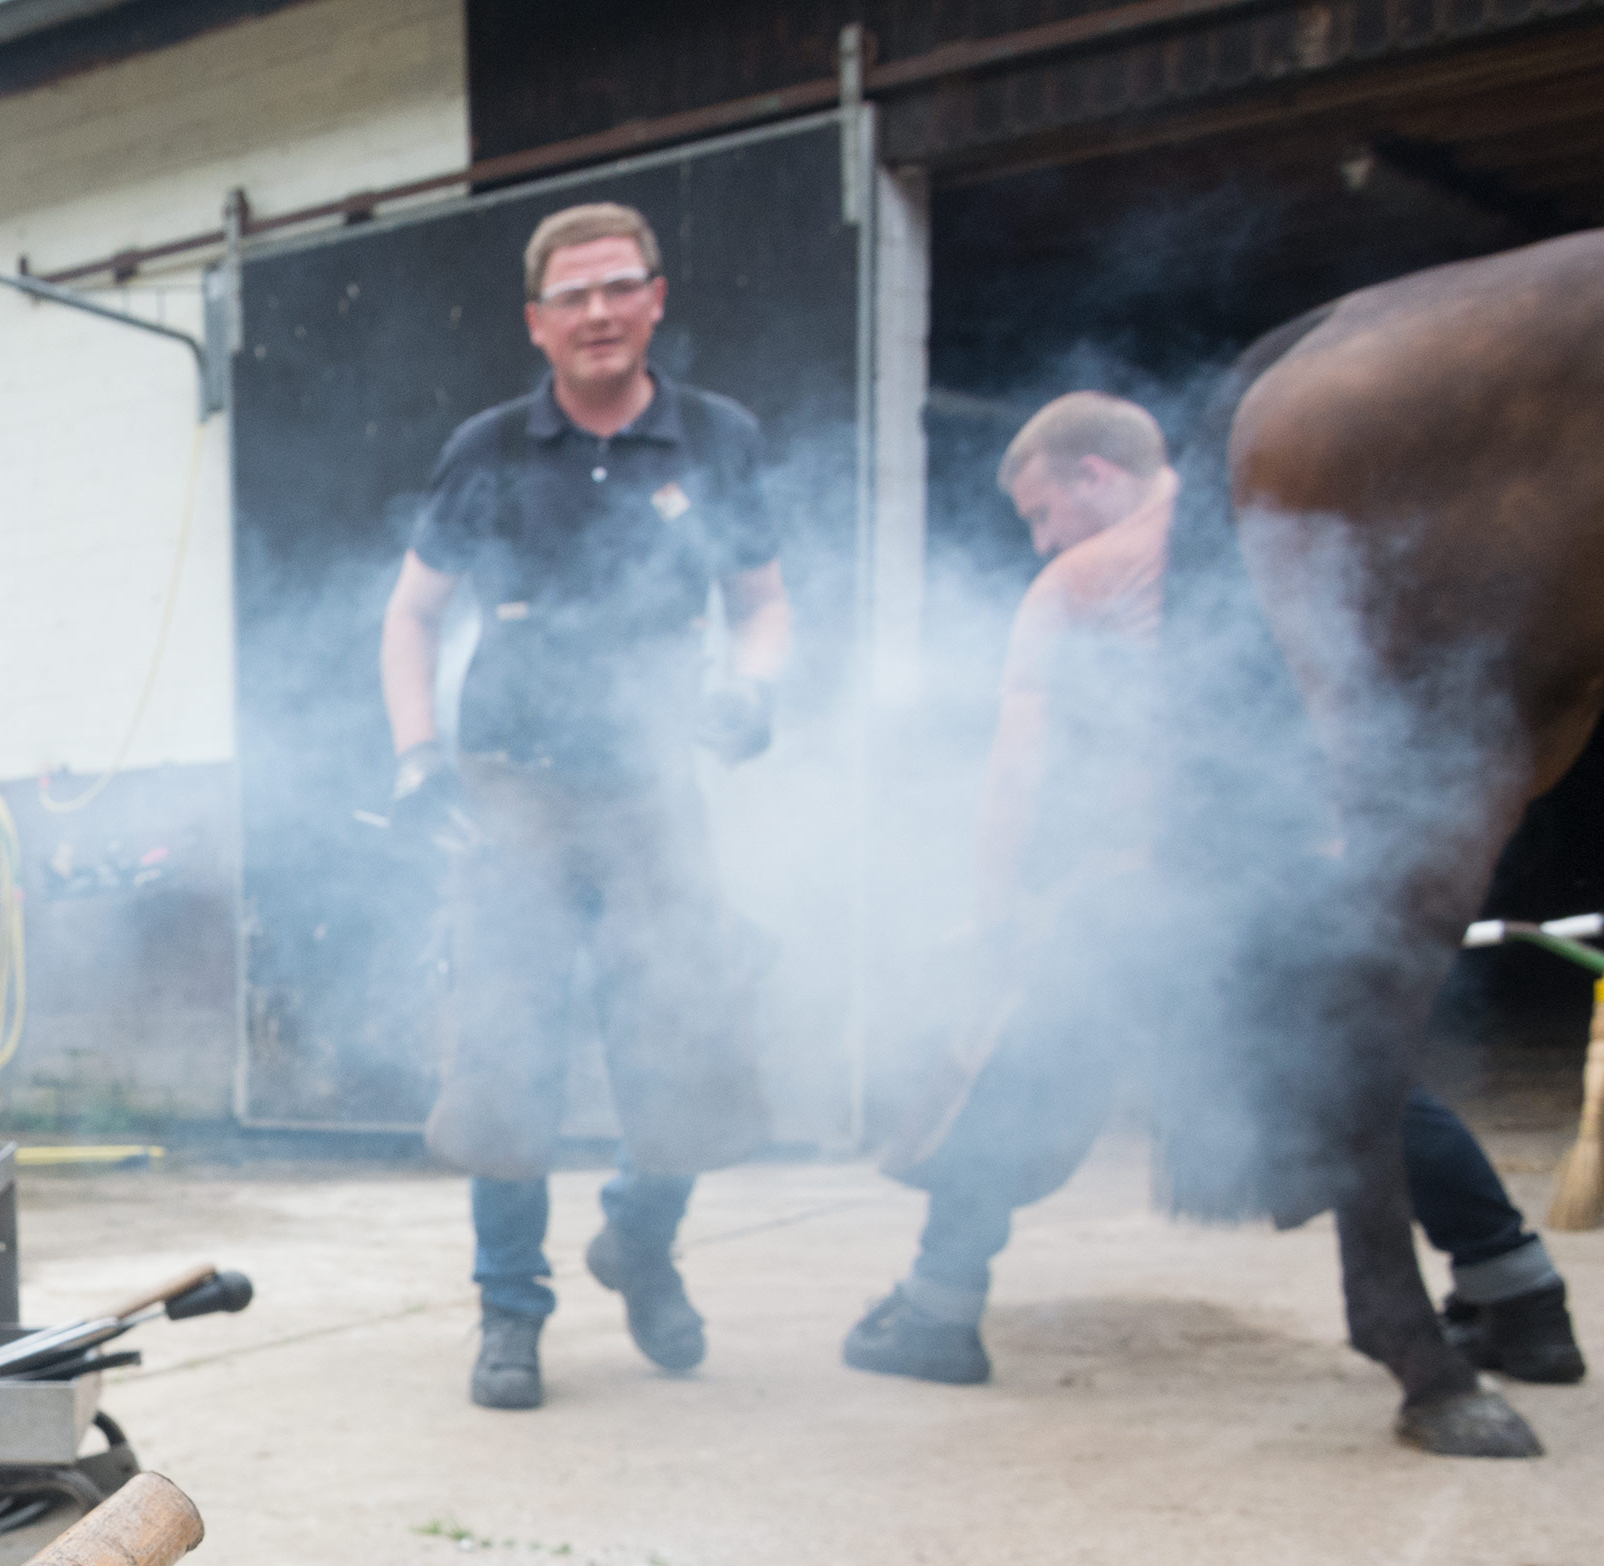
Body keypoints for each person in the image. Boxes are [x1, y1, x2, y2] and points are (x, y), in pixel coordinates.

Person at [842, 391, 1581, 1385]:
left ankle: (936, 1309)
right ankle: (1519, 1294)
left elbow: (1017, 767)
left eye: (1041, 512)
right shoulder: (1284, 550)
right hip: (1304, 872)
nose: (1039, 539)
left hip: (1151, 893)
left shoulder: (1082, 580)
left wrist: (994, 915)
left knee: (1009, 1069)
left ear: (1094, 476)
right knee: (1360, 1081)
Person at [381, 201, 792, 1411]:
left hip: (658, 781)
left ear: (657, 298)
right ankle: (512, 1310)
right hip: (510, 786)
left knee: (690, 1036)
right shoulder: (489, 448)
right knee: (506, 1051)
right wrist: (416, 756)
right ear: (537, 322)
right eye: (574, 295)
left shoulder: (718, 439)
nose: (600, 312)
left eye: (621, 287)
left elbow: (764, 602)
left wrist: (752, 688)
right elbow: (412, 613)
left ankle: (641, 1237)